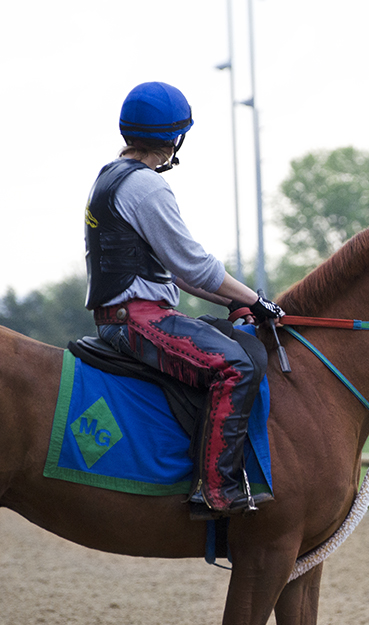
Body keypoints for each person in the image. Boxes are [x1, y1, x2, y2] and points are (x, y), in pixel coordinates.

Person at [84, 81, 281, 518]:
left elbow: (176, 271)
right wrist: (257, 300)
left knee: (233, 342)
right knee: (238, 365)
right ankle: (218, 489)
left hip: (122, 314)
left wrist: (231, 303)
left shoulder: (109, 177)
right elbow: (195, 266)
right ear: (175, 138)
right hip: (137, 320)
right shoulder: (147, 187)